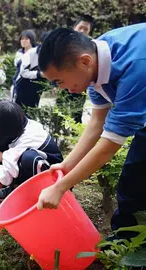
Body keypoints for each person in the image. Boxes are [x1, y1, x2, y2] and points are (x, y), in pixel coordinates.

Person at [36, 24, 146, 239]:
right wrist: (67, 165)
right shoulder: (95, 60)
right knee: (133, 181)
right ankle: (125, 243)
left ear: (84, 62)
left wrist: (61, 188)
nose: (60, 88)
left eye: (59, 81)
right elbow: (97, 123)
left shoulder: (135, 66)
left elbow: (108, 147)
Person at [57, 15, 94, 123]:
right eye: (80, 27)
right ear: (74, 27)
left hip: (80, 84)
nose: (82, 31)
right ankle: (58, 132)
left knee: (77, 112)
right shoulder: (62, 42)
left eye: (86, 29)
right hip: (63, 83)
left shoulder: (91, 46)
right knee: (60, 110)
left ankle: (74, 136)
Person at [12, 31, 49, 108]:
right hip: (22, 83)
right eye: (22, 39)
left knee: (33, 107)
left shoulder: (39, 51)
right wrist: (39, 74)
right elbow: (21, 71)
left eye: (26, 39)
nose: (23, 41)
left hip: (36, 85)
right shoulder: (21, 53)